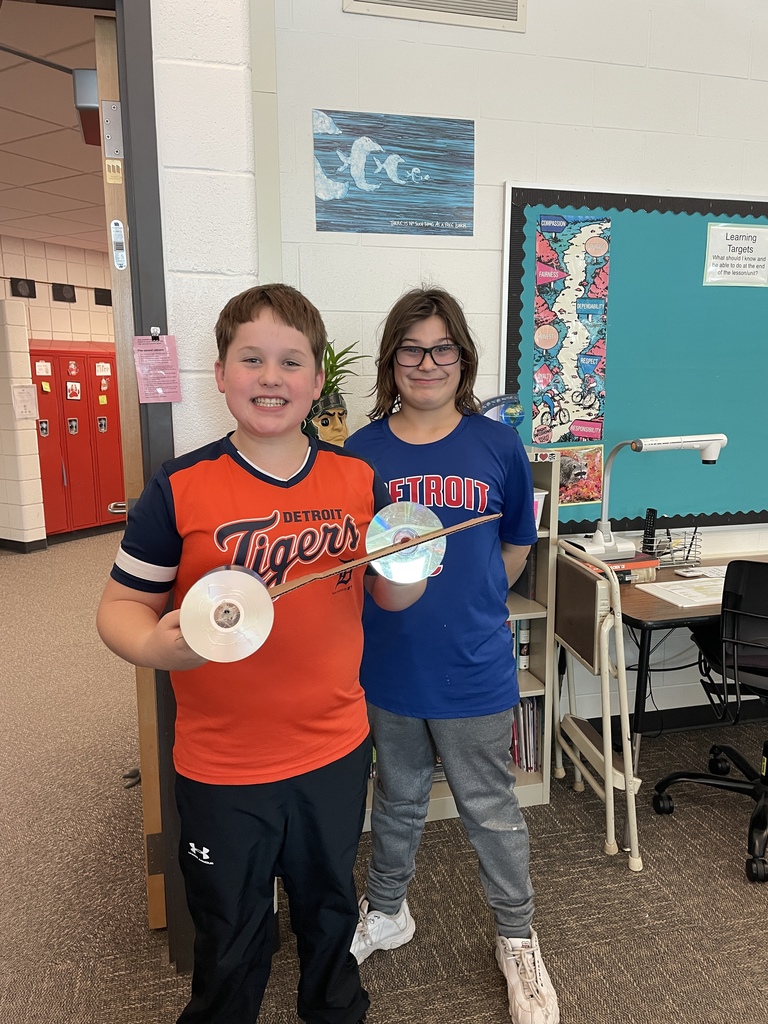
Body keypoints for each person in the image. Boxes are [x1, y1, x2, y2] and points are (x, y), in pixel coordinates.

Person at [96, 284, 427, 1024]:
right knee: (232, 930)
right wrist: (154, 644)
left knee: (329, 911)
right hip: (222, 767)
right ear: (220, 373)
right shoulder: (180, 487)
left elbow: (387, 598)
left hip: (333, 751)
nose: (271, 377)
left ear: (317, 381)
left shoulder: (357, 480)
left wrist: (412, 563)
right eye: (252, 359)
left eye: (291, 362)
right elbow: (119, 607)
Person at [344, 287, 560, 1024]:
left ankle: (516, 938)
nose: (426, 362)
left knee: (491, 811)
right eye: (412, 348)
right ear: (392, 360)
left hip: (474, 667)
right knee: (397, 799)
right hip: (390, 667)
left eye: (441, 348)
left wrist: (464, 608)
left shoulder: (498, 445)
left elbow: (514, 551)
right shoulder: (361, 452)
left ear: (462, 358)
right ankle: (387, 911)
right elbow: (357, 566)